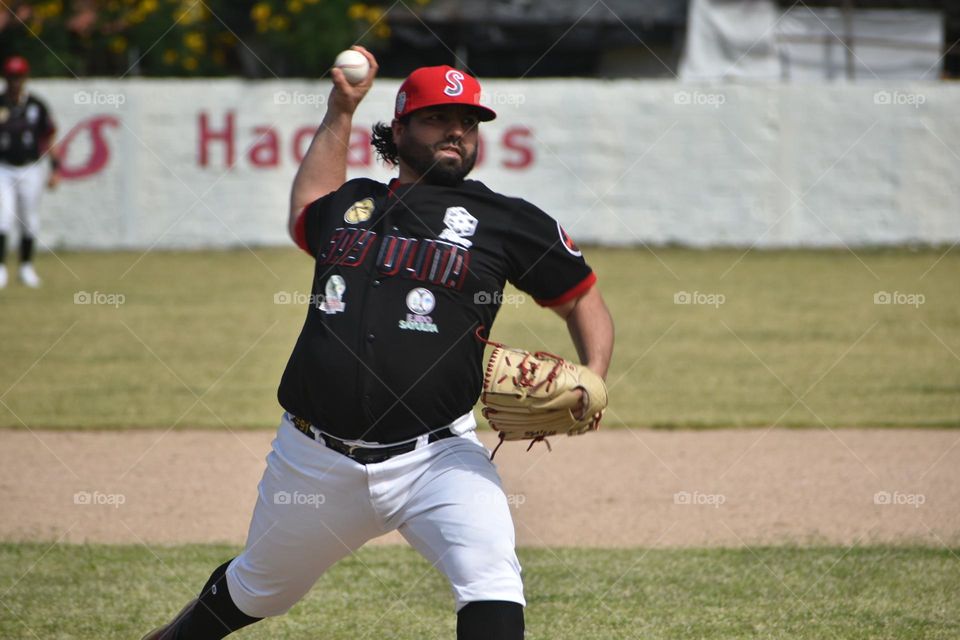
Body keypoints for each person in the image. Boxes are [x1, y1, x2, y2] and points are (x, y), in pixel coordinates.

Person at [142, 47, 614, 640]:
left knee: (491, 578)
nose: (457, 132)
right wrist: (340, 109)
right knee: (258, 588)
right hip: (314, 458)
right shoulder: (354, 203)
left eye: (468, 122)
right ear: (400, 128)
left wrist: (594, 376)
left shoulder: (505, 220)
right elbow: (304, 209)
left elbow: (582, 298)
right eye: (439, 117)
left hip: (439, 457)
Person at [0, 55, 59, 289]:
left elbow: (49, 136)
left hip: (30, 168)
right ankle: (1, 268)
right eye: (11, 77)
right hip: (3, 167)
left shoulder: (36, 105)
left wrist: (56, 168)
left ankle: (26, 267)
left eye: (19, 77)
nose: (15, 81)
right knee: (3, 217)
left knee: (29, 218)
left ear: (25, 78)